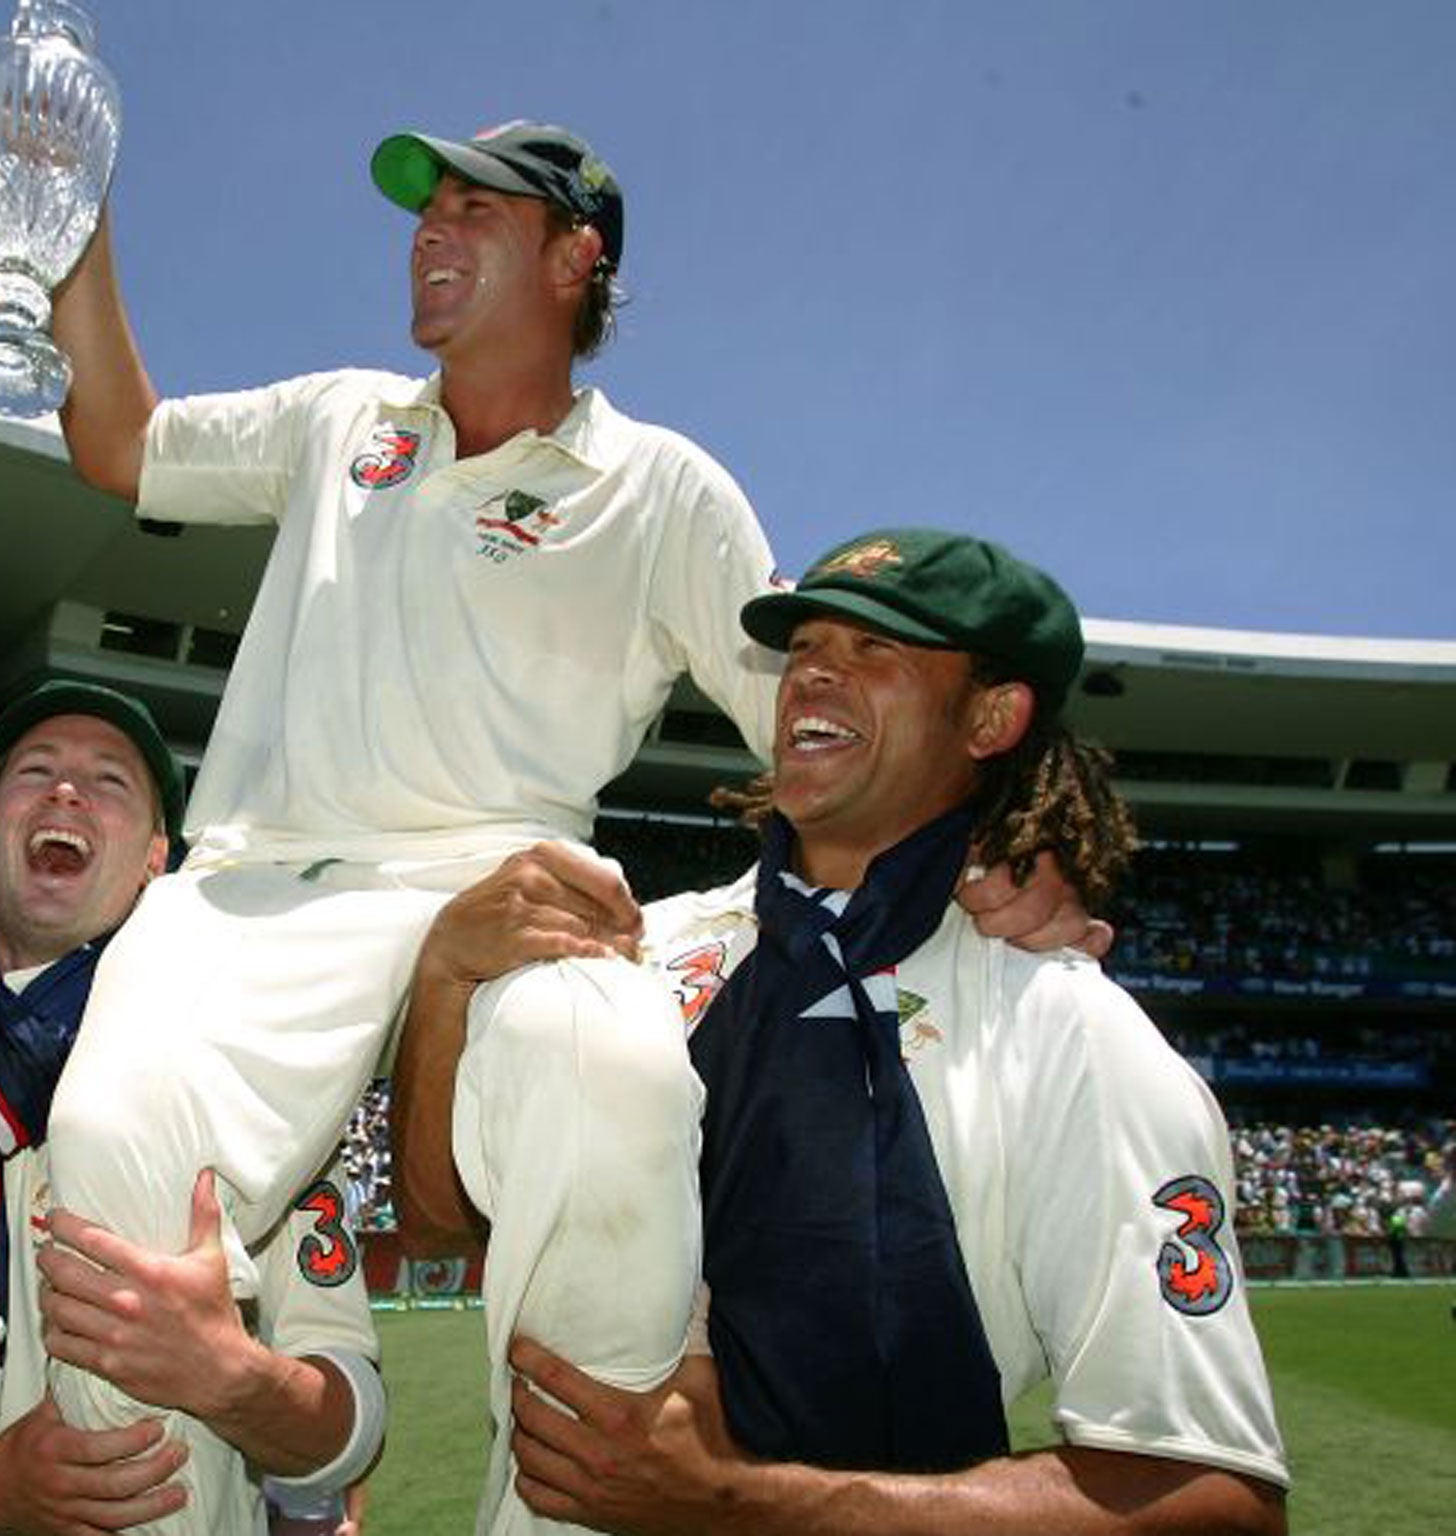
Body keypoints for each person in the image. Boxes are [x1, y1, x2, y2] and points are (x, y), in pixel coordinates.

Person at [41, 120, 1092, 1510]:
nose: (428, 231)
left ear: (574, 255)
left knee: (619, 1082)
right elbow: (117, 443)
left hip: (507, 893)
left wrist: (1010, 839)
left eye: (474, 210)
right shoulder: (339, 420)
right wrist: (64, 219)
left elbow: (824, 729)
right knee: (108, 1142)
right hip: (253, 896)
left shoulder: (662, 488)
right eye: (424, 212)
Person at [399, 528, 1288, 1535]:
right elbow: (442, 1229)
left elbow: (1215, 1503)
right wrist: (442, 982)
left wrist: (734, 1504)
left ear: (990, 716)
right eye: (806, 645)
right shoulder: (634, 953)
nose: (813, 671)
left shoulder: (1067, 1031)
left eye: (876, 651)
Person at [0, 680, 384, 1536]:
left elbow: (352, 1424)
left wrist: (229, 1377)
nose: (66, 791)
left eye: (110, 780)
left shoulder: (249, 1070)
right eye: (35, 771)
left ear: (158, 855)